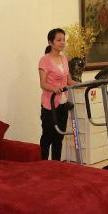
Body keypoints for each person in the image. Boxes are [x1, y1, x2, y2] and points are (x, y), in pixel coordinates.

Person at [38, 28, 75, 160]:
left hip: (63, 104)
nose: (62, 42)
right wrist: (54, 88)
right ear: (50, 42)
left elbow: (68, 80)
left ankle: (56, 166)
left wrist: (77, 83)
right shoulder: (45, 60)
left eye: (63, 40)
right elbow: (43, 84)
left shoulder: (64, 59)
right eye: (59, 40)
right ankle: (42, 164)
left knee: (59, 137)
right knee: (48, 136)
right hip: (50, 105)